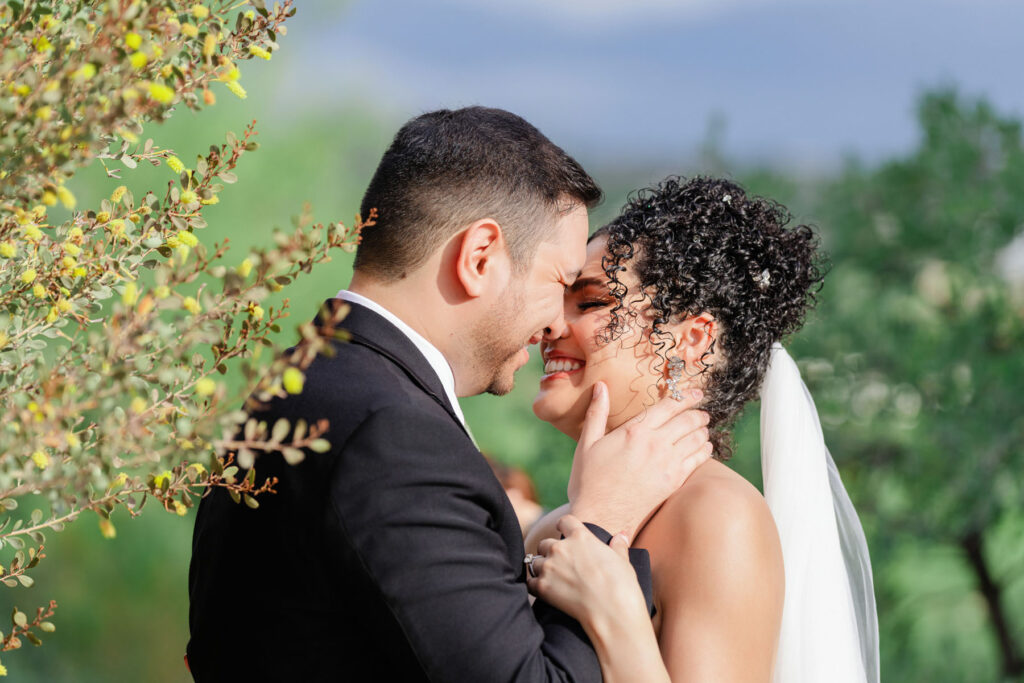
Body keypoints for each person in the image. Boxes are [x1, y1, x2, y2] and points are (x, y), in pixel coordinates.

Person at [186, 108, 714, 681]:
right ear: (479, 256)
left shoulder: (298, 383)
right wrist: (601, 520)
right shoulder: (395, 438)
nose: (556, 325)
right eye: (561, 283)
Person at [525, 177, 880, 682]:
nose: (549, 325)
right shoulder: (552, 527)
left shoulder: (718, 517)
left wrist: (616, 616)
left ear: (693, 340)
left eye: (591, 303)